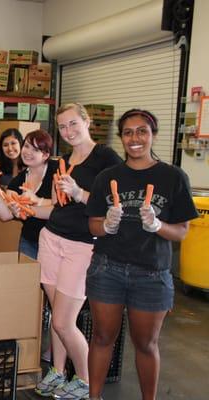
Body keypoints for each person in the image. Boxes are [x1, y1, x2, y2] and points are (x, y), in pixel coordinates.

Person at [86, 109, 198, 400]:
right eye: (128, 132)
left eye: (142, 131)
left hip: (151, 273)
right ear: (121, 138)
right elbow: (93, 223)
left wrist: (158, 225)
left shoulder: (173, 177)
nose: (135, 138)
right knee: (101, 337)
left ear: (153, 135)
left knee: (146, 344)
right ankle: (93, 396)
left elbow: (182, 231)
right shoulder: (107, 177)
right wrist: (107, 225)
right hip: (106, 269)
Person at [34, 103, 122, 400]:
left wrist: (80, 193)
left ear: (87, 122)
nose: (68, 131)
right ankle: (58, 371)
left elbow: (115, 205)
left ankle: (86, 381)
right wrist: (21, 201)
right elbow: (54, 204)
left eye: (73, 124)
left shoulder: (105, 158)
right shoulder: (64, 160)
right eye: (62, 127)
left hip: (83, 246)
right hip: (51, 239)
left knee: (62, 321)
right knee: (55, 316)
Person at [0, 129, 57, 259]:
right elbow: (6, 215)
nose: (28, 152)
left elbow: (60, 207)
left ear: (46, 155)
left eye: (35, 150)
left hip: (56, 239)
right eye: (27, 146)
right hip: (29, 239)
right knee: (28, 277)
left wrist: (36, 201)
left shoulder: (56, 170)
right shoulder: (18, 180)